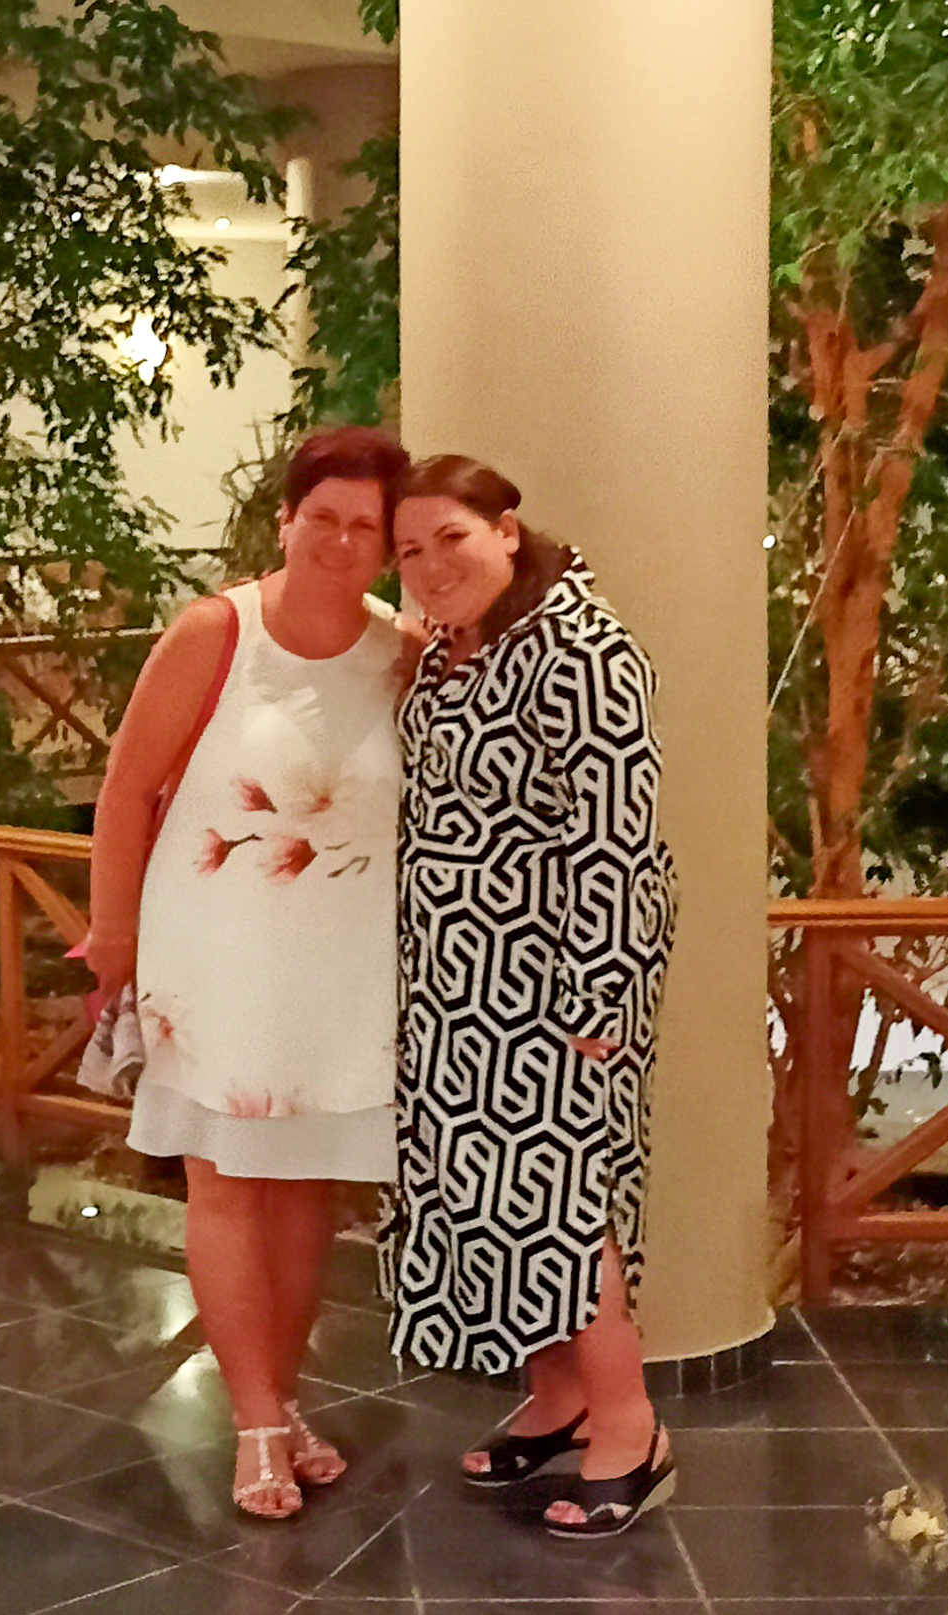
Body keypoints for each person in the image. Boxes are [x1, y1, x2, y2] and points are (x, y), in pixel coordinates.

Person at [86, 426, 411, 1520]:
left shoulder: (400, 649)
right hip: (214, 951)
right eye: (322, 516)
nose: (340, 540)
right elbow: (126, 787)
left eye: (364, 525)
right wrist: (112, 934)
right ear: (285, 518)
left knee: (306, 1183)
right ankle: (257, 1422)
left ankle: (285, 1396)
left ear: (387, 543)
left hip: (342, 962)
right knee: (225, 1179)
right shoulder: (216, 632)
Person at [379, 454, 678, 1538]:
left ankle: (632, 1427)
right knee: (495, 1202)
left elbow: (619, 838)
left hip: (555, 981)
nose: (430, 566)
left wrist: (600, 992)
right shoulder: (451, 648)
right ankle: (559, 1400)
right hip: (456, 985)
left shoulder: (583, 650)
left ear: (507, 528)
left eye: (451, 538)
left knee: (565, 1205)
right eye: (409, 551)